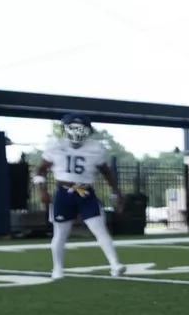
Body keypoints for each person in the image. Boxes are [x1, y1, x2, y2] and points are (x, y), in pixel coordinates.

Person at [33, 113, 125, 280]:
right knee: (60, 233)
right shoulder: (56, 145)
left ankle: (115, 265)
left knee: (100, 229)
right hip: (64, 190)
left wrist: (117, 193)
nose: (77, 132)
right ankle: (57, 268)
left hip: (84, 190)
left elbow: (106, 172)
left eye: (80, 128)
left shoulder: (94, 148)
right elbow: (40, 169)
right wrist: (42, 189)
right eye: (73, 127)